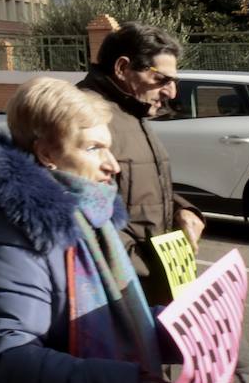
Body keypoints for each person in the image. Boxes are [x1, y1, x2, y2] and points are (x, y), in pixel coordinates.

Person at [0, 77, 198, 383]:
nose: (112, 165)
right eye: (93, 148)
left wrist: (196, 334)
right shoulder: (12, 228)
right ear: (48, 152)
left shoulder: (93, 211)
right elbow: (6, 356)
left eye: (109, 148)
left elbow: (121, 319)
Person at [78, 23, 204, 303]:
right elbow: (81, 215)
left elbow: (136, 187)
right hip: (124, 291)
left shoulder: (133, 110)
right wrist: (145, 267)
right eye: (162, 80)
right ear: (122, 68)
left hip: (155, 277)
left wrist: (180, 210)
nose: (171, 92)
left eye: (174, 81)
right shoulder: (85, 115)